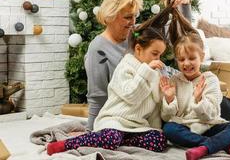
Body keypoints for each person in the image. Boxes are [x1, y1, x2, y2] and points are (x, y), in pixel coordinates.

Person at [47, 20, 169, 155]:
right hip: (115, 121)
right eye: (155, 53)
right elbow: (131, 96)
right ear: (138, 49)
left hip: (136, 126)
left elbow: (154, 108)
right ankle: (67, 144)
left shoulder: (153, 73)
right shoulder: (125, 67)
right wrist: (146, 71)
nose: (158, 59)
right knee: (111, 137)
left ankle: (117, 142)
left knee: (159, 140)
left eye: (160, 55)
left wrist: (156, 125)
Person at [85, 0, 191, 130]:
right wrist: (91, 131)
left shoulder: (136, 34)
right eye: (128, 17)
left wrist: (184, 5)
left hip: (171, 95)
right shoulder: (98, 49)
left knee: (221, 106)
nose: (133, 22)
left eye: (135, 16)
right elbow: (97, 97)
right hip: (140, 115)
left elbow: (180, 36)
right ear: (110, 16)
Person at [159, 2, 230, 160]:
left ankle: (204, 148)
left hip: (210, 125)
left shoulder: (210, 79)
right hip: (186, 127)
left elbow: (211, 115)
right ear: (177, 61)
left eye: (192, 58)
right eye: (181, 60)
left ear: (201, 57)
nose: (186, 63)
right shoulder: (174, 80)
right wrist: (169, 99)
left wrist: (200, 99)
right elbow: (167, 117)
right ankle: (221, 145)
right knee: (169, 129)